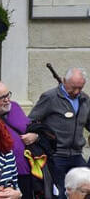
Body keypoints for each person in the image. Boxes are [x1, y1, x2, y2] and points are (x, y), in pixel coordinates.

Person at [29, 67, 90, 198]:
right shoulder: (50, 97)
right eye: (73, 87)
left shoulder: (85, 99)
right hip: (56, 155)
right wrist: (39, 137)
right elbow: (31, 121)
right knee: (61, 193)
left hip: (77, 154)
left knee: (85, 189)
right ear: (63, 81)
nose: (77, 91)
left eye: (80, 88)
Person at [0, 80, 37, 198]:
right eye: (2, 97)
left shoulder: (15, 106)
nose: (7, 100)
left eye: (7, 95)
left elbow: (30, 127)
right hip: (3, 175)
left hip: (27, 170)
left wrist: (35, 135)